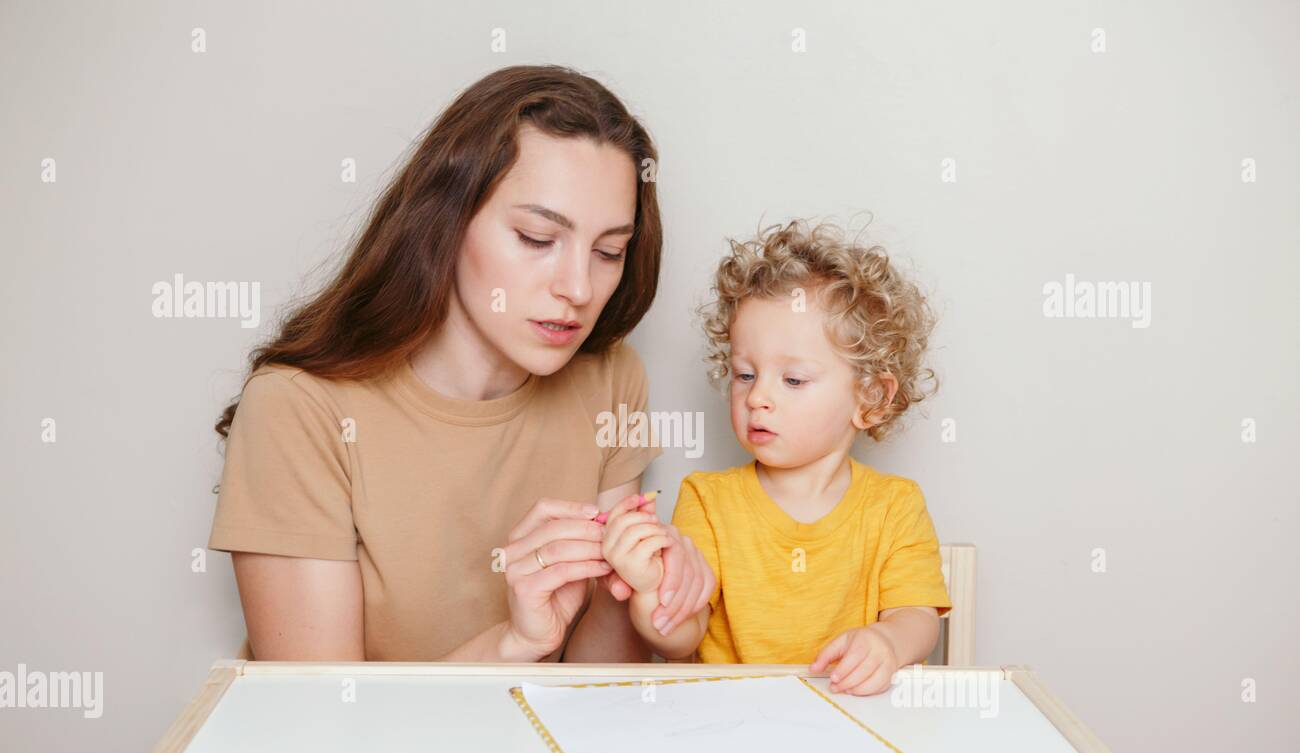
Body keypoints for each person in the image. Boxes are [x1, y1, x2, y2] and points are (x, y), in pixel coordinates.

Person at [207, 65, 714, 661]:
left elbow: (598, 692)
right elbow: (321, 726)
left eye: (609, 252)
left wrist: (641, 594)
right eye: (535, 237)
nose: (578, 287)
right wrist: (512, 644)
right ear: (444, 222)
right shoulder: (297, 409)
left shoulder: (610, 379)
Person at [600, 219, 952, 694]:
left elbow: (917, 618)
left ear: (870, 398)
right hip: (732, 730)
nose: (757, 398)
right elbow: (682, 639)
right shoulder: (707, 500)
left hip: (851, 726)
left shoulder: (895, 506)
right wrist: (648, 590)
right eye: (745, 374)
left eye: (793, 380)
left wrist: (888, 642)